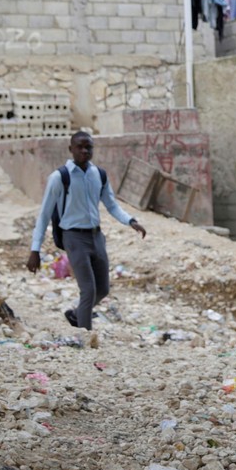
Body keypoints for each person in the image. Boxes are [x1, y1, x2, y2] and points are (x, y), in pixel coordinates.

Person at [26, 132, 146, 331]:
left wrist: (130, 221)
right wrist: (34, 250)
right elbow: (44, 215)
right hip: (73, 237)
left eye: (88, 147)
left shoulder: (99, 174)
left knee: (103, 289)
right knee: (88, 290)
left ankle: (75, 315)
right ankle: (85, 338)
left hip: (96, 236)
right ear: (70, 149)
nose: (84, 151)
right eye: (79, 147)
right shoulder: (59, 177)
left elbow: (112, 205)